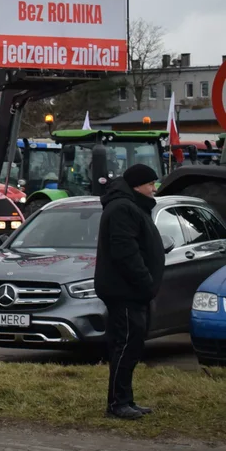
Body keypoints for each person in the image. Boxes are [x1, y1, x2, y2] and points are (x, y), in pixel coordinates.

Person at [94, 163, 165, 420]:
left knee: (130, 345)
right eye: (150, 184)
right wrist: (146, 282)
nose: (154, 189)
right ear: (137, 186)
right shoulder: (123, 208)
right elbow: (126, 253)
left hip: (131, 291)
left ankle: (124, 399)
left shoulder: (130, 205)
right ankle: (118, 403)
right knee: (126, 345)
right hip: (125, 291)